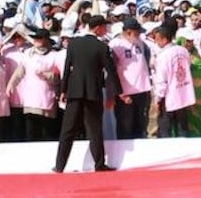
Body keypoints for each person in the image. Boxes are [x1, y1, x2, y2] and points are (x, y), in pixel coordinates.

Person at [54, 15, 121, 172]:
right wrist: (118, 93)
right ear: (97, 28)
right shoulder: (101, 47)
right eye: (104, 27)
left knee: (67, 130)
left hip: (74, 91)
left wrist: (63, 90)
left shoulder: (73, 44)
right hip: (93, 92)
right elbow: (111, 72)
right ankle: (99, 164)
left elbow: (67, 68)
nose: (106, 30)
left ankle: (59, 165)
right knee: (95, 129)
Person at [109, 18, 151, 140]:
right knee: (125, 127)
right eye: (136, 33)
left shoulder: (140, 43)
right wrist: (120, 93)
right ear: (128, 32)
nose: (139, 35)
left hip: (141, 91)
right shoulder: (116, 45)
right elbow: (112, 71)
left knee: (140, 125)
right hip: (126, 94)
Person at [151, 24, 196, 138]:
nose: (156, 42)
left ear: (164, 39)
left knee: (165, 127)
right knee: (182, 127)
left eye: (158, 39)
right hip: (183, 93)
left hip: (168, 96)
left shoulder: (163, 56)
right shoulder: (183, 51)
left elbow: (162, 80)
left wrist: (158, 98)